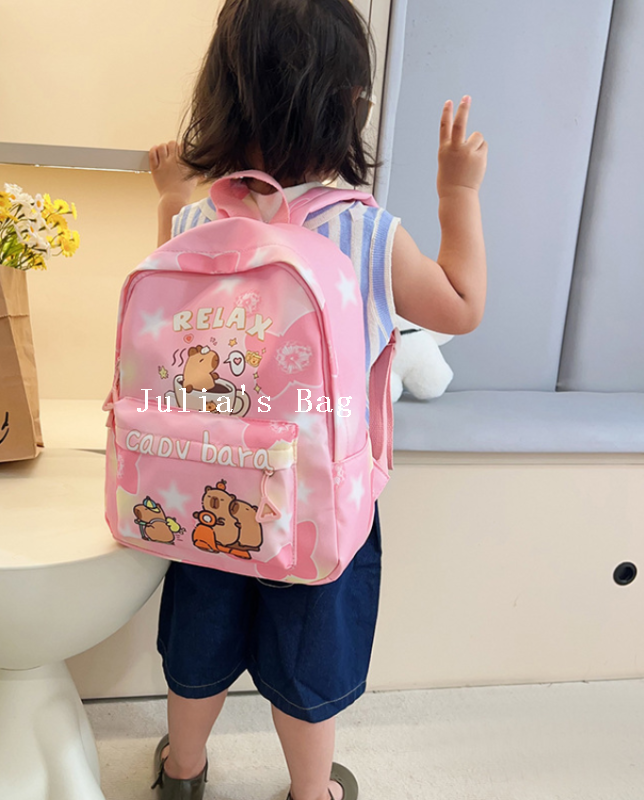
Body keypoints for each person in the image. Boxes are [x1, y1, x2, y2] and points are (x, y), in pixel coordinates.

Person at [145, 2, 487, 798]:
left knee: (200, 636)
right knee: (307, 650)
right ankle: (310, 791)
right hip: (316, 503)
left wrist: (168, 194)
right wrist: (456, 193)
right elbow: (463, 305)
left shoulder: (194, 219)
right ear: (350, 104)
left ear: (218, 96)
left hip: (203, 489)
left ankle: (182, 770)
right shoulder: (367, 235)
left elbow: (161, 300)